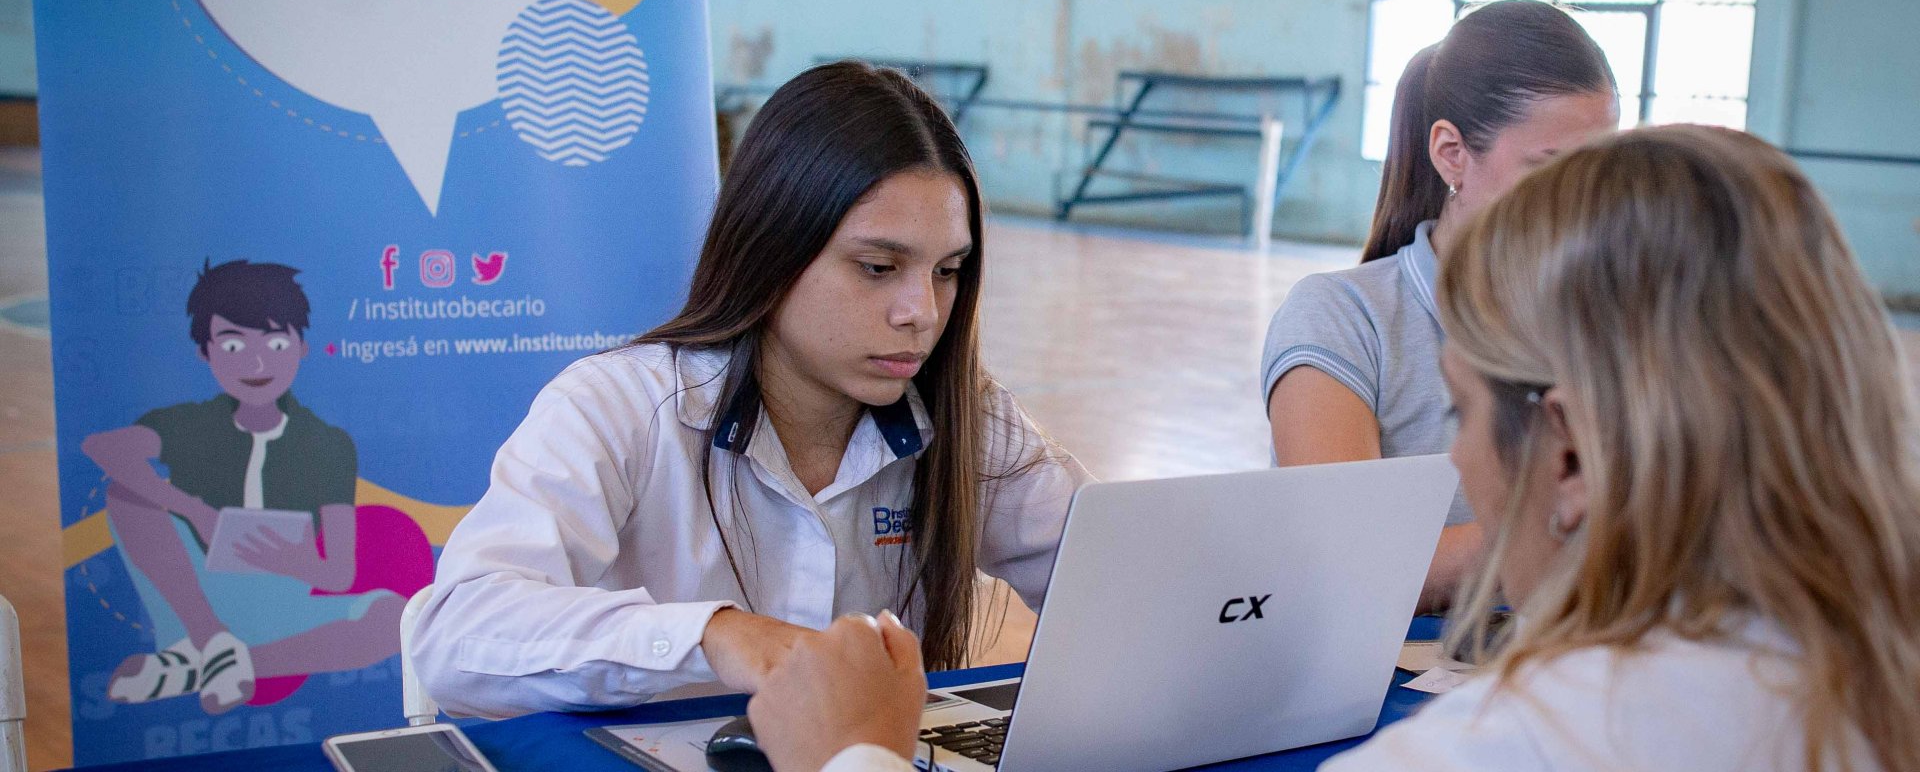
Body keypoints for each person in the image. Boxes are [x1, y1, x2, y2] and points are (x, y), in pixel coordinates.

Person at [752, 127, 1920, 771]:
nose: (917, 309)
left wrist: (854, 759)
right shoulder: (1866, 679)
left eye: (1463, 417)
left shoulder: (1515, 744)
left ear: (1567, 455)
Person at [411, 61, 1090, 719]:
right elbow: (454, 636)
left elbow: (1114, 577)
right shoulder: (621, 407)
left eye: (947, 270)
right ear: (770, 249)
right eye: (878, 267)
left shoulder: (967, 418)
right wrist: (716, 635)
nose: (923, 312)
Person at [1262, 0, 1620, 609]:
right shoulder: (1342, 318)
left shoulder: (1614, 319)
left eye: (1600, 170)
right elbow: (1348, 562)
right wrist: (1586, 523)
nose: (1583, 202)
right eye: (1550, 170)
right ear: (1452, 152)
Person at [84, 259, 432, 715]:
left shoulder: (327, 443)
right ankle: (209, 638)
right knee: (126, 496)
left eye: (276, 342)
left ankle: (224, 664)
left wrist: (296, 563)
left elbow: (339, 575)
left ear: (301, 347)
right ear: (205, 352)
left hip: (282, 604)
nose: (257, 362)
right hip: (193, 595)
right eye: (233, 344)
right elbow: (105, 448)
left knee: (392, 617)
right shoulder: (190, 423)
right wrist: (193, 510)